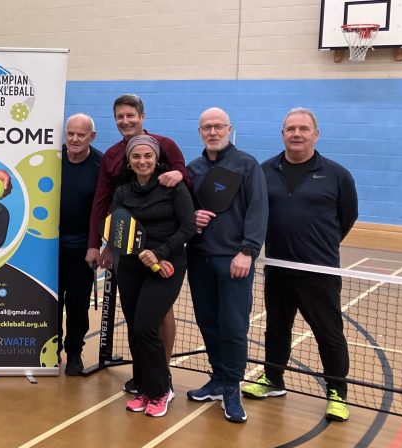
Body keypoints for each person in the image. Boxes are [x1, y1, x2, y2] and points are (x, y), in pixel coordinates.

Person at [242, 108, 358, 422]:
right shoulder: (265, 171)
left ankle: (337, 392)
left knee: (329, 333)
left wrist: (321, 245)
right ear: (282, 135)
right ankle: (273, 379)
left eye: (303, 129)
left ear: (315, 134)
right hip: (277, 268)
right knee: (276, 329)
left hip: (319, 272)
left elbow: (347, 216)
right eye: (291, 129)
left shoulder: (337, 174)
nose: (296, 134)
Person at [88, 94, 191, 394]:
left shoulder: (166, 144)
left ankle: (162, 375)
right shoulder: (111, 156)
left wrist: (180, 174)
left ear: (142, 117)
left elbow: (185, 180)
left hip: (164, 251)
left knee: (159, 313)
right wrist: (102, 244)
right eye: (120, 116)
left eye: (130, 115)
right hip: (129, 251)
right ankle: (145, 374)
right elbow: (103, 201)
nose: (125, 121)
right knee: (137, 318)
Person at [183, 107, 267, 423]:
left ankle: (232, 387)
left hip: (234, 261)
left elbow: (258, 209)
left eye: (218, 126)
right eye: (207, 127)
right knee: (208, 322)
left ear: (229, 129)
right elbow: (183, 210)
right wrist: (191, 218)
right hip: (199, 259)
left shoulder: (247, 165)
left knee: (233, 326)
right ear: (200, 131)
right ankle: (218, 378)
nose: (213, 132)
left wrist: (248, 251)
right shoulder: (193, 169)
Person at [113, 135, 196, 417]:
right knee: (135, 330)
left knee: (146, 326)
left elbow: (188, 227)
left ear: (156, 158)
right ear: (129, 161)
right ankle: (144, 388)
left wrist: (159, 254)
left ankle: (161, 390)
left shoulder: (173, 188)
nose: (142, 161)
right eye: (136, 156)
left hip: (167, 265)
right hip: (131, 266)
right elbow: (120, 229)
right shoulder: (122, 192)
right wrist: (141, 253)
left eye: (148, 156)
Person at [58, 114, 102, 376]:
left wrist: (96, 245)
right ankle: (51, 350)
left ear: (91, 137)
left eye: (81, 135)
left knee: (77, 305)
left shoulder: (100, 164)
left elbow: (105, 208)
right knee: (50, 302)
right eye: (70, 133)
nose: (74, 139)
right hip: (50, 247)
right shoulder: (53, 159)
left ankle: (74, 351)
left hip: (83, 249)